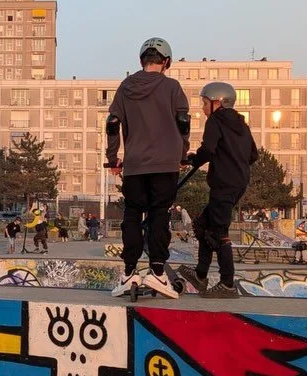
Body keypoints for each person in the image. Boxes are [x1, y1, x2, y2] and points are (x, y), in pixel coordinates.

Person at [105, 37, 190, 299]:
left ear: (142, 60)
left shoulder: (126, 86)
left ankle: (129, 272)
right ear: (166, 62)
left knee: (132, 215)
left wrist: (113, 158)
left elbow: (112, 122)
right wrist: (182, 154)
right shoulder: (173, 87)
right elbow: (183, 121)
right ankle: (157, 273)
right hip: (165, 164)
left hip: (135, 165)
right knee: (158, 215)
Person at [177, 82, 259, 299]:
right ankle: (200, 275)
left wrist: (194, 158)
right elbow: (253, 155)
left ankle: (227, 283)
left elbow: (209, 149)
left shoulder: (215, 120)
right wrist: (233, 160)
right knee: (204, 224)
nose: (203, 109)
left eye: (205, 103)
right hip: (239, 182)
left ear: (218, 102)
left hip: (223, 183)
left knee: (218, 232)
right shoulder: (241, 124)